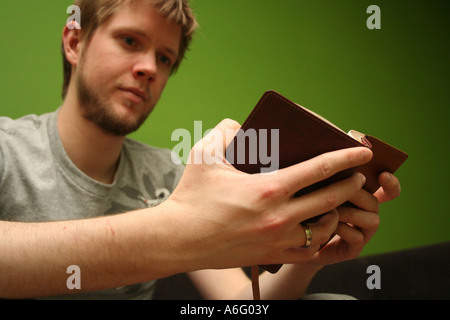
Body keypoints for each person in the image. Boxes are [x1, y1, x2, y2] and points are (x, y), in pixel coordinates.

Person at [0, 0, 401, 300]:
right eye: (129, 40)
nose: (149, 69)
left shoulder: (170, 176)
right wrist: (178, 231)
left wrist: (308, 256)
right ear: (75, 42)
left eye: (164, 57)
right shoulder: (7, 149)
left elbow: (239, 303)